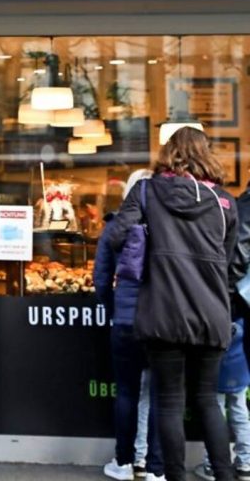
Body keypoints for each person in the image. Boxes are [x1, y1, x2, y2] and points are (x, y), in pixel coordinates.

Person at [110, 127, 241, 481]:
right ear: (206, 154)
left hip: (163, 311)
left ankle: (175, 477)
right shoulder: (224, 202)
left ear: (168, 153)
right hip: (211, 313)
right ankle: (225, 476)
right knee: (207, 400)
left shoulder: (146, 191)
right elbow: (229, 261)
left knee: (169, 401)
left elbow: (117, 236)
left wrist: (146, 236)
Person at [95, 169, 164, 481]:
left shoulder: (114, 226)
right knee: (159, 394)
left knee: (126, 392)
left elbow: (101, 280)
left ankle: (123, 462)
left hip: (125, 320)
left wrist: (114, 309)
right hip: (160, 319)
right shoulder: (167, 226)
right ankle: (155, 468)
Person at [193, 318, 250, 481]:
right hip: (240, 369)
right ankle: (245, 465)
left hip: (215, 370)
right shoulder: (244, 309)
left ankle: (211, 465)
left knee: (213, 417)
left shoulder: (212, 308)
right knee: (241, 416)